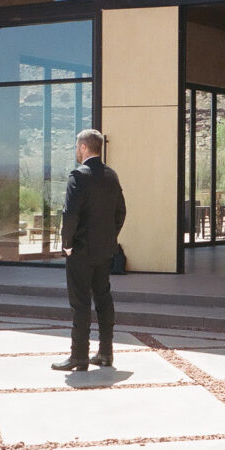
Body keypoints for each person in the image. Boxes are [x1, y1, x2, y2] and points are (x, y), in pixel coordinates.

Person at [51, 129, 126, 372]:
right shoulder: (111, 175)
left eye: (76, 146)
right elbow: (120, 212)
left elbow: (69, 214)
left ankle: (79, 357)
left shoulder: (78, 176)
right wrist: (109, 237)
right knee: (103, 299)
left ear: (84, 147)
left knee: (80, 302)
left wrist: (67, 244)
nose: (75, 150)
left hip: (81, 252)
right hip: (104, 252)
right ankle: (105, 353)